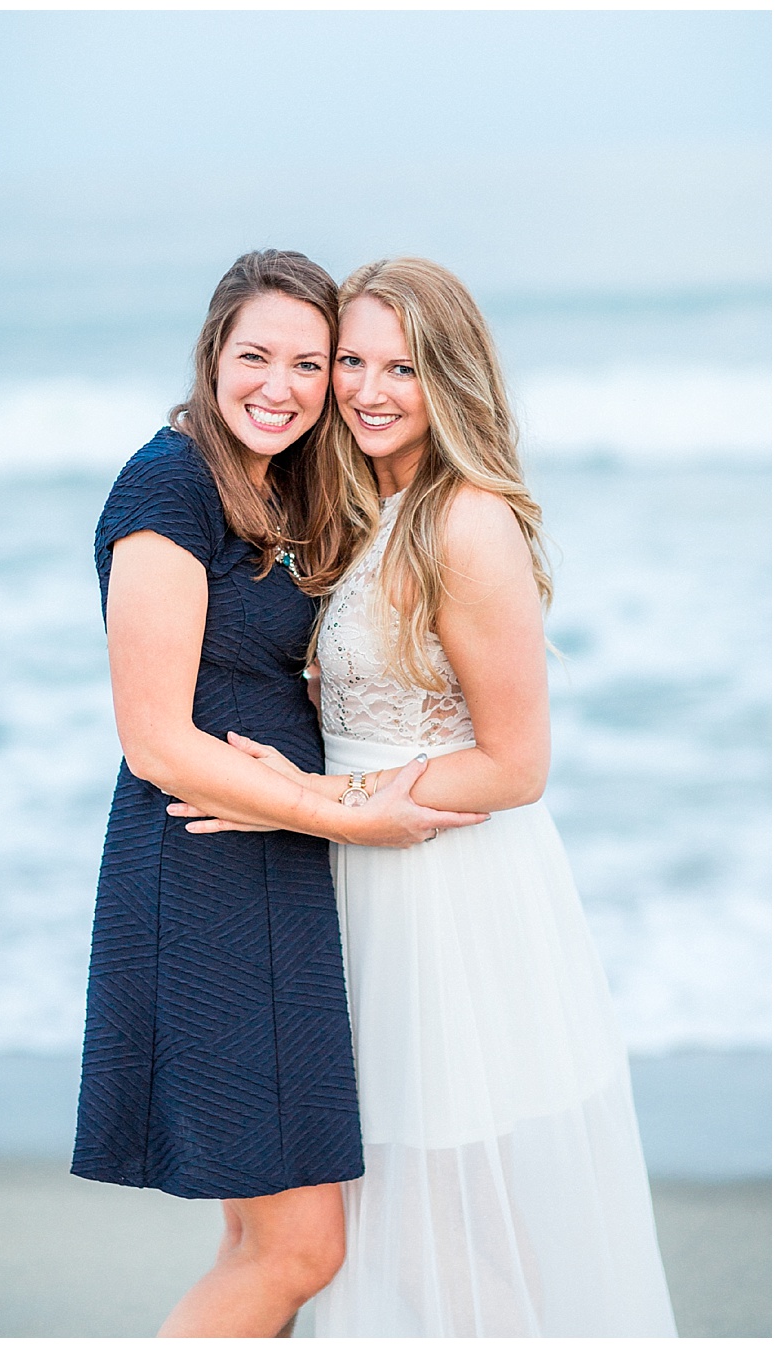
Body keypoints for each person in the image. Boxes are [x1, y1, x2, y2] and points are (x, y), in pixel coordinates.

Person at [170, 258, 676, 1335]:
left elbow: (515, 762)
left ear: (447, 376)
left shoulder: (465, 520)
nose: (365, 389)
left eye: (399, 365)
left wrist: (310, 795)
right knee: (342, 1230)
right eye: (348, 360)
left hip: (444, 907)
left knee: (446, 1230)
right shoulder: (363, 510)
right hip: (351, 884)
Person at [72, 250, 487, 1337]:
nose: (285, 385)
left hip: (276, 872)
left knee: (259, 1236)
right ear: (213, 355)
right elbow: (155, 738)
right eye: (256, 355)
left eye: (313, 362)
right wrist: (340, 809)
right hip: (205, 868)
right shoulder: (166, 486)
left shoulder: (283, 487)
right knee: (304, 1245)